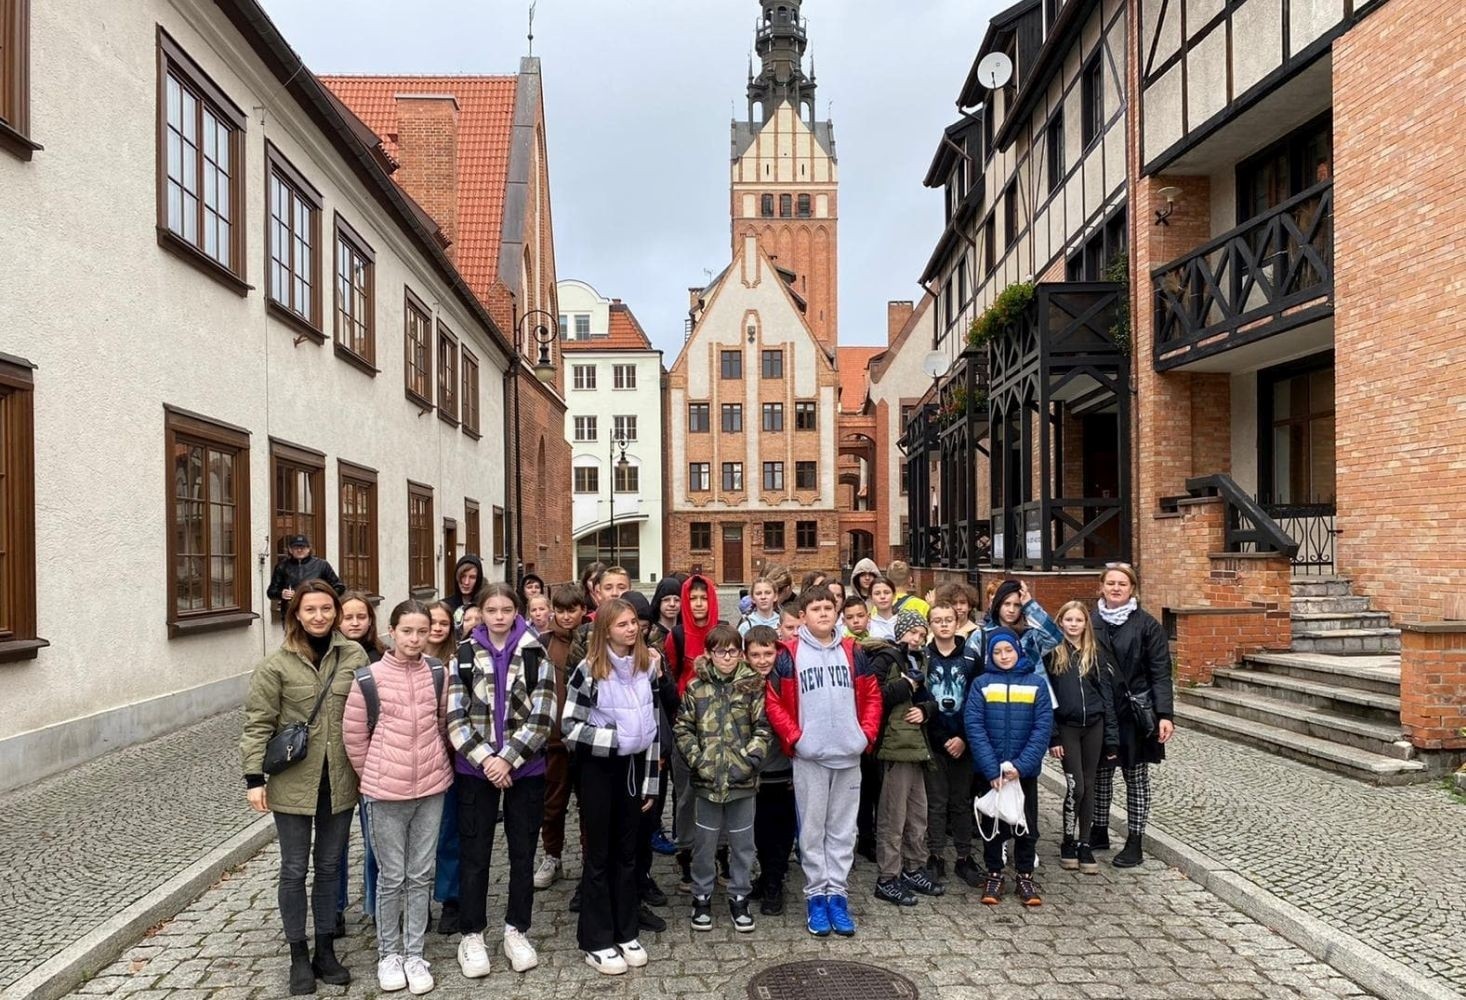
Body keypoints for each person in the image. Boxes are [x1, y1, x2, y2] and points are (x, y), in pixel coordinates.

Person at [240, 581, 364, 995]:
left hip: (341, 779)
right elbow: (258, 723)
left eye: (326, 609)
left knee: (330, 867)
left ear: (336, 612)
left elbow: (369, 716)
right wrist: (254, 779)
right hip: (294, 782)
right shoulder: (276, 664)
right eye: (310, 609)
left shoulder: (354, 655)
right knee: (294, 869)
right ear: (296, 614)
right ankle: (298, 953)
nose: (319, 616)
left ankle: (325, 949)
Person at [343, 600, 453, 996]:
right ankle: (388, 953)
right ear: (391, 632)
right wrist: (375, 774)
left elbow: (441, 724)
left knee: (421, 873)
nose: (414, 639)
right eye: (407, 631)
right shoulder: (368, 679)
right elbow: (355, 738)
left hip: (431, 788)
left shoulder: (438, 674)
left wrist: (433, 767)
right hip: (385, 792)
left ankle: (414, 952)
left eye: (422, 631)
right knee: (392, 876)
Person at [446, 584, 554, 977]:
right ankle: (471, 933)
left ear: (516, 611)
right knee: (475, 854)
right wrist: (487, 759)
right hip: (475, 770)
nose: (498, 616)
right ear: (481, 612)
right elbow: (455, 718)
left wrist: (507, 759)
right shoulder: (463, 654)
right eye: (490, 609)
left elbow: (543, 716)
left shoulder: (535, 652)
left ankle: (516, 928)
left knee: (522, 853)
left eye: (506, 609)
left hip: (525, 770)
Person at [765, 586, 882, 938]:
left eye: (828, 608)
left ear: (838, 612)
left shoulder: (854, 652)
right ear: (803, 616)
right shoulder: (788, 654)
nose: (823, 614)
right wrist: (796, 739)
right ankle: (817, 894)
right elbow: (774, 702)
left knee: (843, 829)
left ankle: (838, 894)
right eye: (815, 609)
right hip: (810, 757)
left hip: (848, 754)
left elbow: (873, 695)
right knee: (813, 830)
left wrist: (865, 735)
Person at [561, 598, 662, 976]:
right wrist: (614, 738)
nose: (631, 629)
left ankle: (625, 929)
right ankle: (596, 938)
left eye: (634, 622)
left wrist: (650, 781)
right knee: (599, 853)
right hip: (600, 769)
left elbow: (652, 728)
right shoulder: (588, 671)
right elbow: (569, 726)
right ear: (605, 630)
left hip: (634, 768)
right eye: (622, 624)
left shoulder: (646, 668)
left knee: (627, 851)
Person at [674, 625, 770, 933]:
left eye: (731, 651)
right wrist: (698, 760)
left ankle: (739, 895)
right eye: (719, 651)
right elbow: (683, 728)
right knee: (705, 843)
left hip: (742, 780)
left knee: (743, 844)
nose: (726, 657)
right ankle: (702, 894)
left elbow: (763, 727)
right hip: (707, 780)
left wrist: (750, 759)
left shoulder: (752, 686)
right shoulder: (695, 688)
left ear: (740, 653)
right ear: (709, 654)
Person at [1089, 564, 1174, 868]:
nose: (1115, 588)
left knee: (1135, 776)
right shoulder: (1090, 621)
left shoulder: (1147, 625)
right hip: (1101, 710)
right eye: (1110, 583)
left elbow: (1160, 672)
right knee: (1100, 773)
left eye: (1122, 584)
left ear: (1132, 589)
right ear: (1101, 586)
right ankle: (1099, 829)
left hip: (1135, 712)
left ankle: (1135, 839)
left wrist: (1165, 714)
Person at [966, 628, 1053, 907]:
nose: (1004, 656)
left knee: (1026, 824)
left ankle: (1025, 875)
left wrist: (1022, 766)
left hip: (1022, 772)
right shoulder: (982, 684)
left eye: (1008, 650)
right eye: (997, 652)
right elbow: (974, 726)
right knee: (993, 823)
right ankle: (994, 873)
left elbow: (1042, 729)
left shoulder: (1036, 684)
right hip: (990, 772)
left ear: (1018, 650)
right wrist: (992, 769)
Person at [871, 610, 942, 907]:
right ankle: (888, 876)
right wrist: (906, 686)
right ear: (900, 632)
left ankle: (913, 867)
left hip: (916, 746)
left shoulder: (919, 660)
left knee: (917, 813)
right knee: (893, 816)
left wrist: (926, 710)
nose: (917, 639)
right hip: (893, 747)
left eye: (922, 635)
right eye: (913, 633)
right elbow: (872, 695)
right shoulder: (886, 658)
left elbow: (928, 698)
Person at [1046, 600, 1118, 876]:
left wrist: (1111, 737)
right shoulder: (1053, 654)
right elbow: (1048, 697)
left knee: (1090, 785)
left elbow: (1106, 696)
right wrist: (1053, 737)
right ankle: (1067, 839)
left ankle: (1084, 842)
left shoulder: (1094, 653)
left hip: (1094, 726)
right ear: (1061, 622)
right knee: (1075, 786)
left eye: (1079, 620)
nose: (1074, 624)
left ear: (1085, 624)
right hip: (1067, 727)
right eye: (1069, 620)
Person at [662, 573, 720, 893]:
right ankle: (686, 856)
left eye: (703, 598)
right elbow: (669, 678)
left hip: (719, 728)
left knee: (719, 792)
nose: (698, 604)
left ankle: (720, 853)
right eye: (693, 598)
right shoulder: (678, 636)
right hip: (686, 726)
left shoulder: (722, 631)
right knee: (686, 795)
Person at [922, 600, 981, 887]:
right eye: (938, 620)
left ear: (957, 622)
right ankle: (935, 856)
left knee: (961, 801)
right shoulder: (924, 659)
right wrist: (943, 739)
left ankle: (964, 856)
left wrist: (964, 739)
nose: (944, 624)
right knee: (936, 802)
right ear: (930, 625)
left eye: (948, 619)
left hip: (964, 741)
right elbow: (921, 703)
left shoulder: (971, 659)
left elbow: (978, 700)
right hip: (934, 742)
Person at [534, 585, 587, 893]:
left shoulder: (593, 637)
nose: (567, 617)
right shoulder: (543, 644)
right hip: (554, 739)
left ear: (583, 609)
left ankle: (589, 857)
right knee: (552, 805)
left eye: (573, 610)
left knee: (588, 805)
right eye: (562, 610)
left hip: (586, 739)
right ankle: (552, 856)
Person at [336, 592, 383, 932]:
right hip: (335, 760)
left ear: (370, 620)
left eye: (360, 616)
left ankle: (376, 900)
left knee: (375, 840)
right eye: (347, 616)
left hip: (374, 760)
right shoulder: (329, 656)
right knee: (333, 844)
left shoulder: (382, 657)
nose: (354, 622)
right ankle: (333, 907)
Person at [743, 625, 794, 916]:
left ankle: (775, 883)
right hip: (757, 772)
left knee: (781, 830)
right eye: (756, 655)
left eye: (768, 653)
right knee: (760, 829)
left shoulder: (784, 680)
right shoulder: (744, 684)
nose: (763, 660)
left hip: (783, 769)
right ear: (746, 656)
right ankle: (766, 876)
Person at [966, 580, 1062, 680]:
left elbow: (1055, 638)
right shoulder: (981, 636)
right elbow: (969, 672)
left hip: (1030, 692)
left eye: (1017, 605)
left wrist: (1029, 604)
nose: (1011, 610)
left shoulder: (1030, 636)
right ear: (998, 605)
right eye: (1007, 604)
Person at [265, 535, 344, 620]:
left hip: (316, 612)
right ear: (290, 550)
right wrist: (281, 594)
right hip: (291, 613)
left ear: (309, 549)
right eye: (296, 547)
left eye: (302, 547)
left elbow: (339, 587)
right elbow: (271, 592)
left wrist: (323, 596)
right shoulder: (282, 566)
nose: (299, 550)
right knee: (293, 633)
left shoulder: (322, 565)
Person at [445, 555, 486, 631]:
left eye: (472, 577)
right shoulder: (446, 606)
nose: (466, 582)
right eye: (463, 576)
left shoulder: (485, 604)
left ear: (478, 579)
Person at [867, 576, 901, 641]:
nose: (882, 597)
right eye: (877, 593)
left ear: (894, 595)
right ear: (871, 598)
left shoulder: (903, 622)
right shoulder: (868, 625)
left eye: (887, 593)